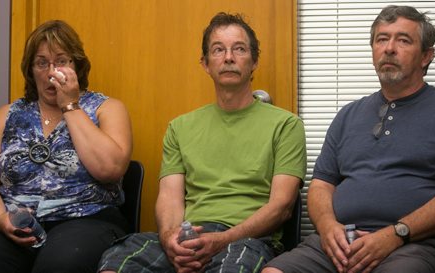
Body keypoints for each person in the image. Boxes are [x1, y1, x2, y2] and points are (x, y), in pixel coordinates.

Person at [97, 12, 307, 273]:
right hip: (190, 237)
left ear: (254, 62)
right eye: (218, 50)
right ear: (205, 64)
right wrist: (171, 240)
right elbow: (170, 201)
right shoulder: (180, 127)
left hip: (247, 240)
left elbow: (281, 208)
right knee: (116, 262)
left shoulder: (286, 125)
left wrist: (221, 241)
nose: (228, 57)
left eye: (239, 49)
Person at [263, 5, 435, 273]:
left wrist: (395, 234)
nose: (389, 48)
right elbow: (321, 186)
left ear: (426, 56)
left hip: (415, 245)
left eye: (403, 40)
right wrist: (328, 229)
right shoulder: (348, 114)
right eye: (382, 39)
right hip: (338, 244)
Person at [0, 20, 132, 273]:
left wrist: (70, 106)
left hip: (87, 220)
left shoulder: (106, 109)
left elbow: (110, 169)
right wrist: (1, 220)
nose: (52, 71)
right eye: (42, 63)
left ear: (77, 66)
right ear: (31, 70)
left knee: (59, 264)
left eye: (62, 61)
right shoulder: (7, 115)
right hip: (17, 221)